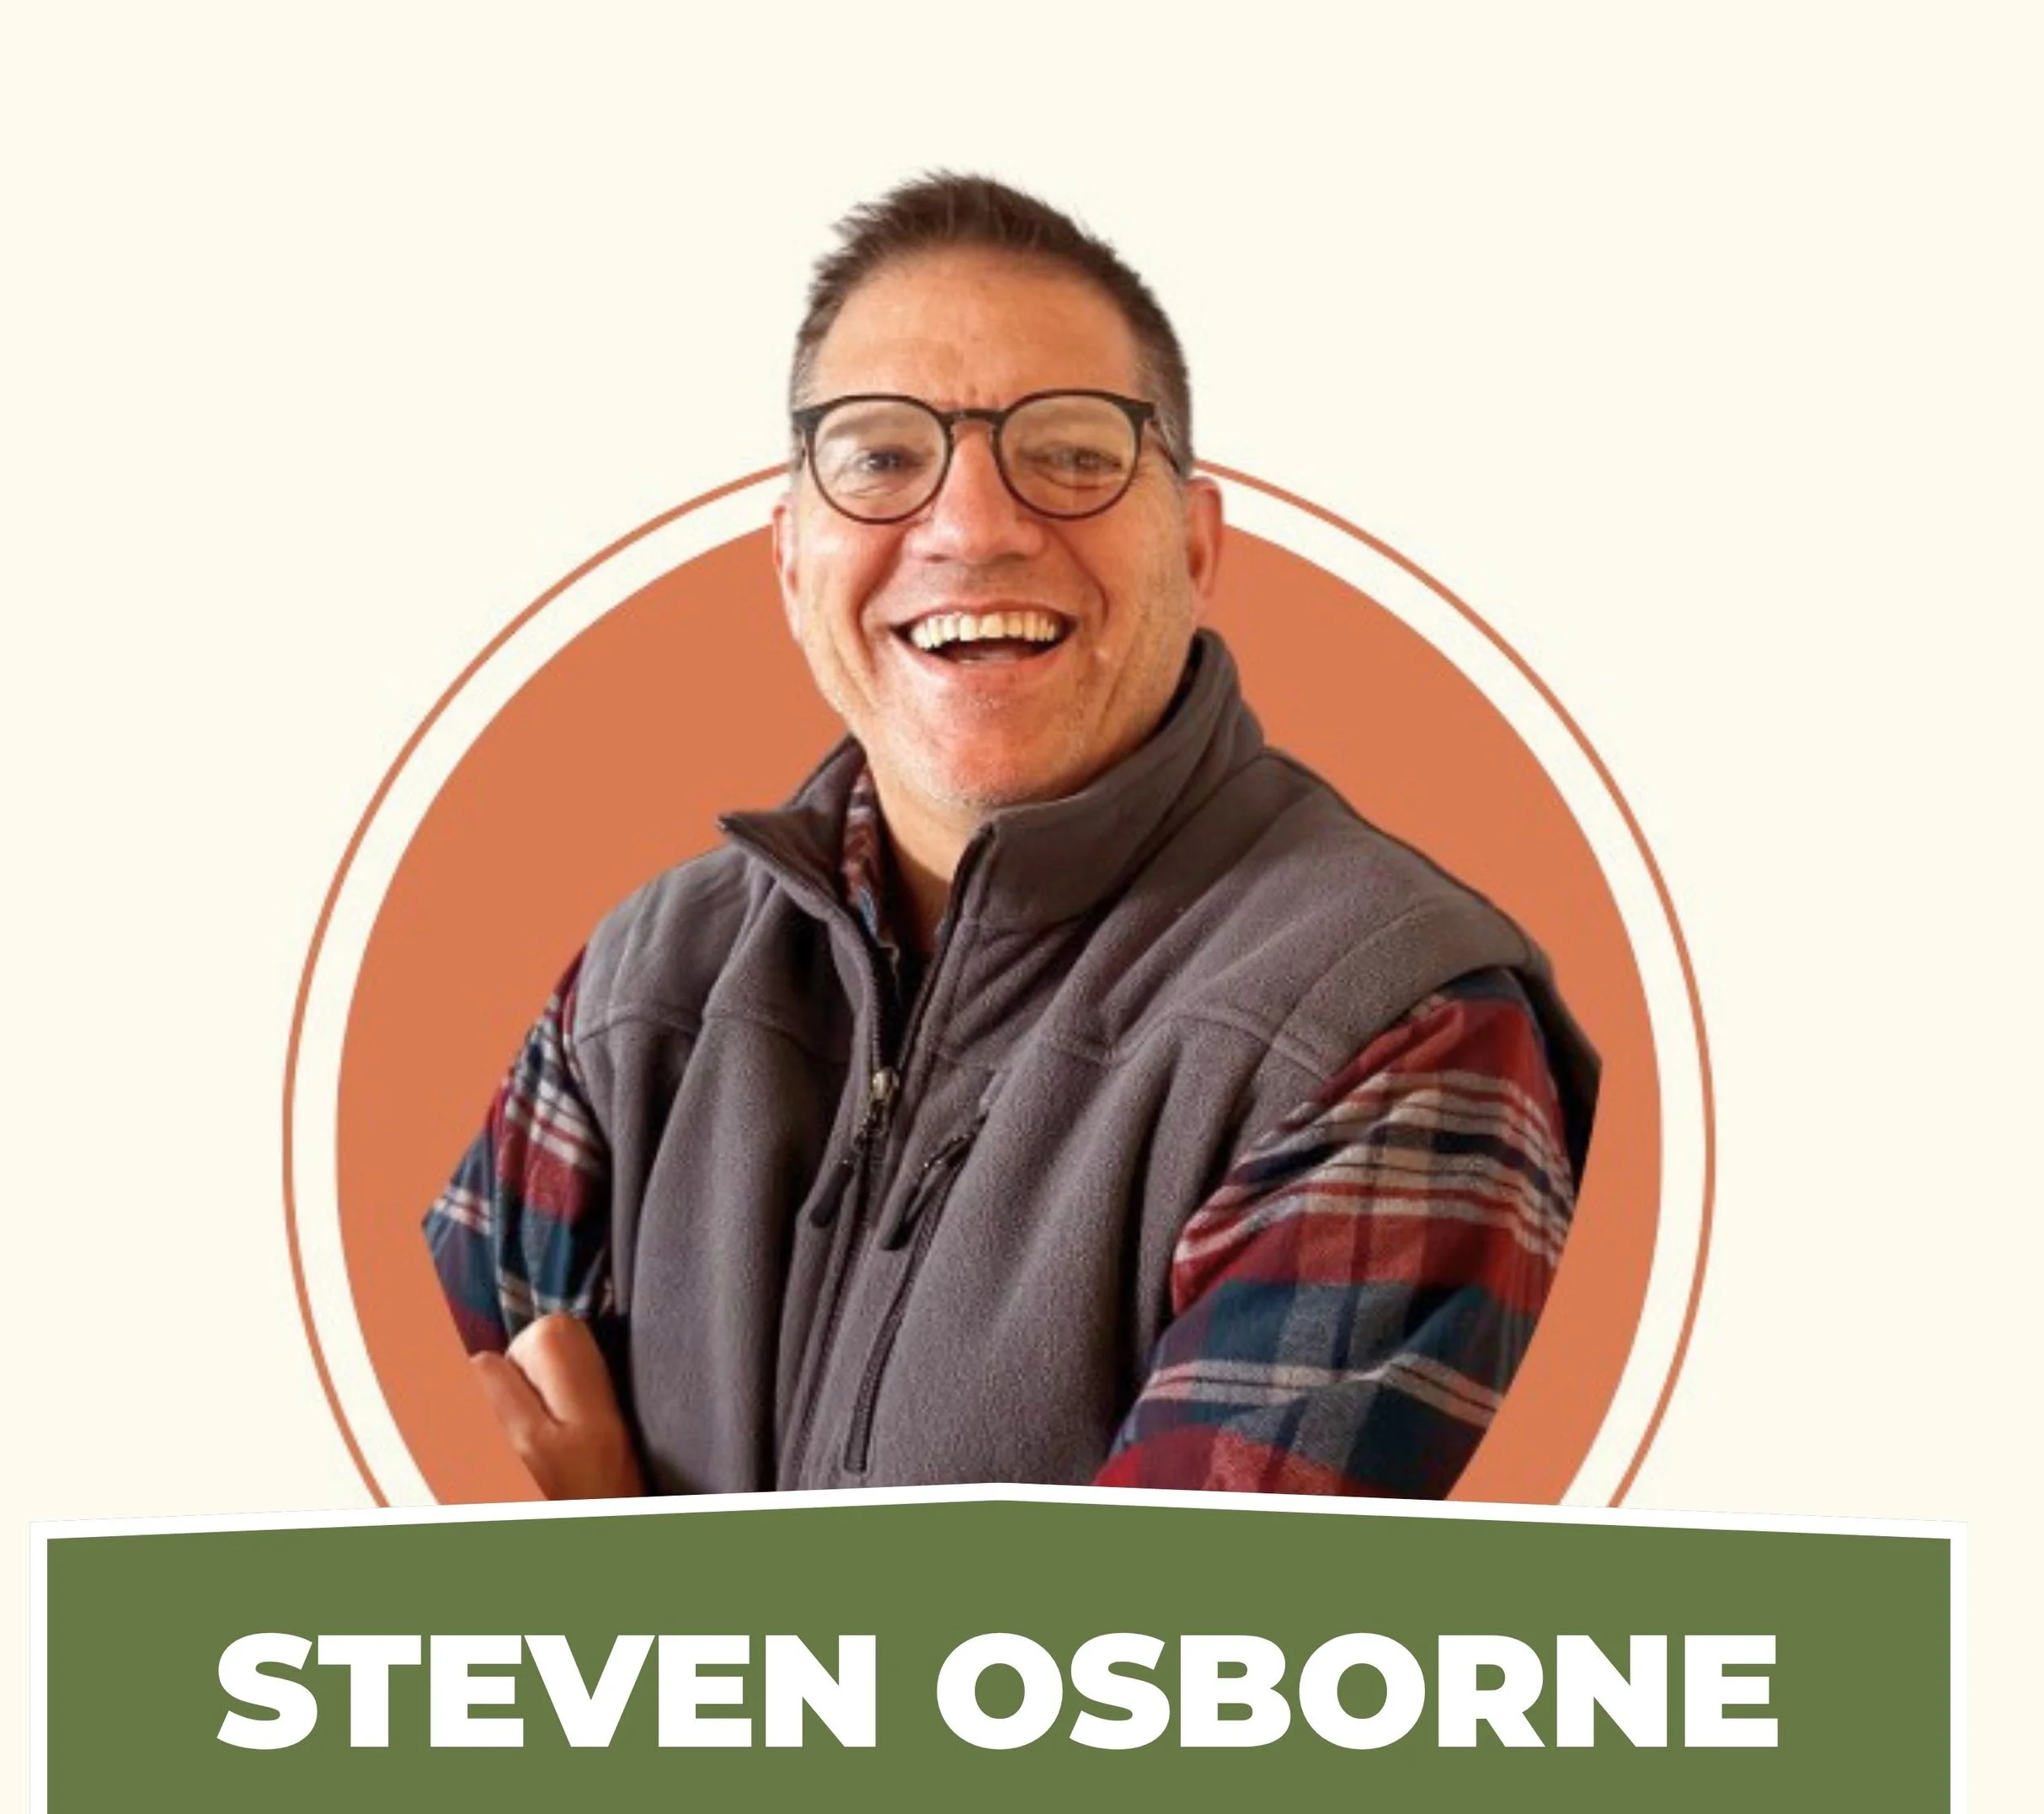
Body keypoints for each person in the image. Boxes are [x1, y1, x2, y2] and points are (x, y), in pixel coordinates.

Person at [424, 173, 1597, 1502]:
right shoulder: (633, 996)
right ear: (790, 560)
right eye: (879, 458)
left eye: (1077, 452)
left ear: (1197, 546)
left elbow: (1160, 1688)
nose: (975, 526)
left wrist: (589, 1581)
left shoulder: (1400, 1035)